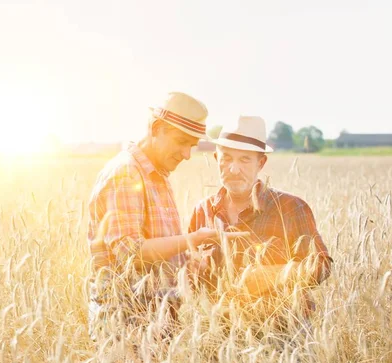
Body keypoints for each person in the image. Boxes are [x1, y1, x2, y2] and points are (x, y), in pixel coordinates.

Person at [87, 92, 217, 343]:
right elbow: (131, 253)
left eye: (192, 146)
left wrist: (188, 261)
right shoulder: (126, 173)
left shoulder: (157, 175)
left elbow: (157, 248)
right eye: (182, 142)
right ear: (156, 128)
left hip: (157, 317)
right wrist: (190, 239)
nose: (187, 154)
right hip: (126, 324)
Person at [188, 116, 332, 326]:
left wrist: (273, 275)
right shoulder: (202, 211)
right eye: (226, 158)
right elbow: (188, 272)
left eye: (244, 160)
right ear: (215, 157)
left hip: (282, 335)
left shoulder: (291, 208)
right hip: (218, 336)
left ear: (261, 163)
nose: (234, 169)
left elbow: (322, 266)